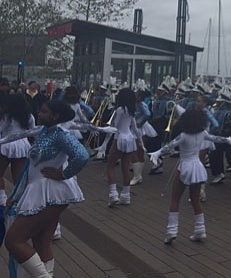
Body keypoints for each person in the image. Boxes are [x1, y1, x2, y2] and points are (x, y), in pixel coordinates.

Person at [1, 100, 114, 277]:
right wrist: (15, 196)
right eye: (40, 111)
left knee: (14, 240)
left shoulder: (61, 134)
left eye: (44, 112)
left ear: (56, 116)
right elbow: (28, 169)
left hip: (48, 192)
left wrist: (65, 173)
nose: (39, 114)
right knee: (42, 241)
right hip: (42, 190)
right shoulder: (45, 131)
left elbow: (82, 155)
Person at [149, 108, 231, 244]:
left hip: (185, 167)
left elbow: (170, 146)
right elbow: (215, 138)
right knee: (195, 199)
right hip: (197, 167)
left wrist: (157, 153)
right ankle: (200, 230)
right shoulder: (202, 133)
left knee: (175, 199)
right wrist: (227, 140)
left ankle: (171, 231)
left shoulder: (184, 135)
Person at [107, 87, 143, 207]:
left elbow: (114, 126)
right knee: (125, 167)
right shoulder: (131, 110)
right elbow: (135, 127)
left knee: (110, 165)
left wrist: (105, 143)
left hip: (119, 138)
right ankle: (126, 195)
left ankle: (113, 194)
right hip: (129, 138)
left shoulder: (120, 110)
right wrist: (140, 140)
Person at [0, 94, 35, 206]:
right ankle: (18, 202)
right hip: (22, 146)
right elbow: (32, 131)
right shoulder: (28, 116)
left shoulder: (5, 116)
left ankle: (2, 198)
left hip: (6, 145)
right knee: (18, 179)